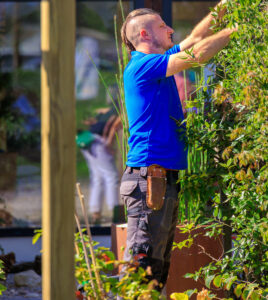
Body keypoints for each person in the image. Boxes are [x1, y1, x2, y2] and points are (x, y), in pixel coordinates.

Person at [119, 0, 235, 292]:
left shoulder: (158, 62)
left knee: (155, 273)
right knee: (141, 268)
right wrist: (239, 28)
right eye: (162, 26)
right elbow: (197, 55)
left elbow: (195, 39)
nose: (170, 29)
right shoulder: (142, 66)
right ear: (145, 35)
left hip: (160, 179)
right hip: (148, 179)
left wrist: (224, 8)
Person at [77, 107, 121, 224]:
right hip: (98, 141)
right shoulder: (121, 109)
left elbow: (98, 111)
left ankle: (95, 211)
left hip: (88, 138)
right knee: (111, 176)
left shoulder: (111, 109)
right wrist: (110, 143)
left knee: (97, 177)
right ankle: (115, 209)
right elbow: (116, 124)